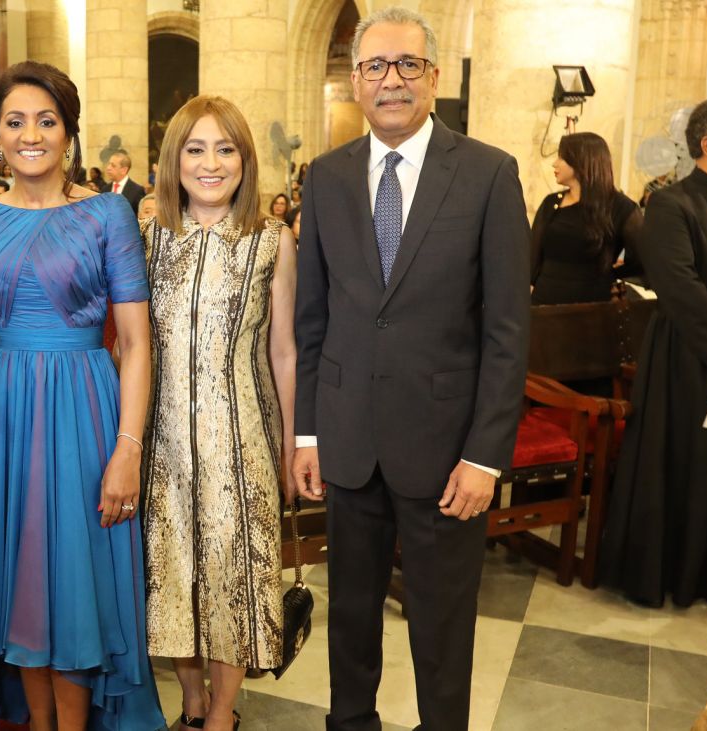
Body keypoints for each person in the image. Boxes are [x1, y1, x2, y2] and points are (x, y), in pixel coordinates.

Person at [292, 8, 529, 731]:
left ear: (432, 78)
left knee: (442, 626)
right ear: (357, 81)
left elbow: (506, 332)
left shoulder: (488, 173)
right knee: (351, 620)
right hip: (349, 441)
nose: (391, 81)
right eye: (376, 67)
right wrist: (307, 435)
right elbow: (313, 318)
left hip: (446, 449)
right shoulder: (326, 177)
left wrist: (485, 456)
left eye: (408, 66)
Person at [0, 60, 164, 731]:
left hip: (83, 413)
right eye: (15, 121)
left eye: (46, 120)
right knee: (18, 574)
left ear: (68, 131)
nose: (30, 134)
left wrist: (128, 448)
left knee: (74, 575)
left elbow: (137, 342)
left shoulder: (108, 214)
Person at [142, 95, 297, 731]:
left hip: (245, 439)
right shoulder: (148, 234)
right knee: (172, 574)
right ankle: (192, 705)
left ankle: (223, 715)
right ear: (174, 159)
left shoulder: (270, 240)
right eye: (196, 149)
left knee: (235, 578)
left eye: (225, 149)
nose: (210, 163)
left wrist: (295, 447)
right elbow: (131, 342)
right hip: (163, 440)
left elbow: (284, 351)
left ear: (245, 159)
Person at [598, 99, 707, 612]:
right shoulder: (672, 204)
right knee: (685, 466)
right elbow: (678, 287)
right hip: (689, 358)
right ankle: (665, 574)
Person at [530, 132, 643, 304]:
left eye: (562, 158)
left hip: (592, 307)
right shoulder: (551, 203)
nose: (555, 163)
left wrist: (613, 273)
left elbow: (642, 257)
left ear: (582, 162)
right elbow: (533, 255)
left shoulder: (620, 207)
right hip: (545, 303)